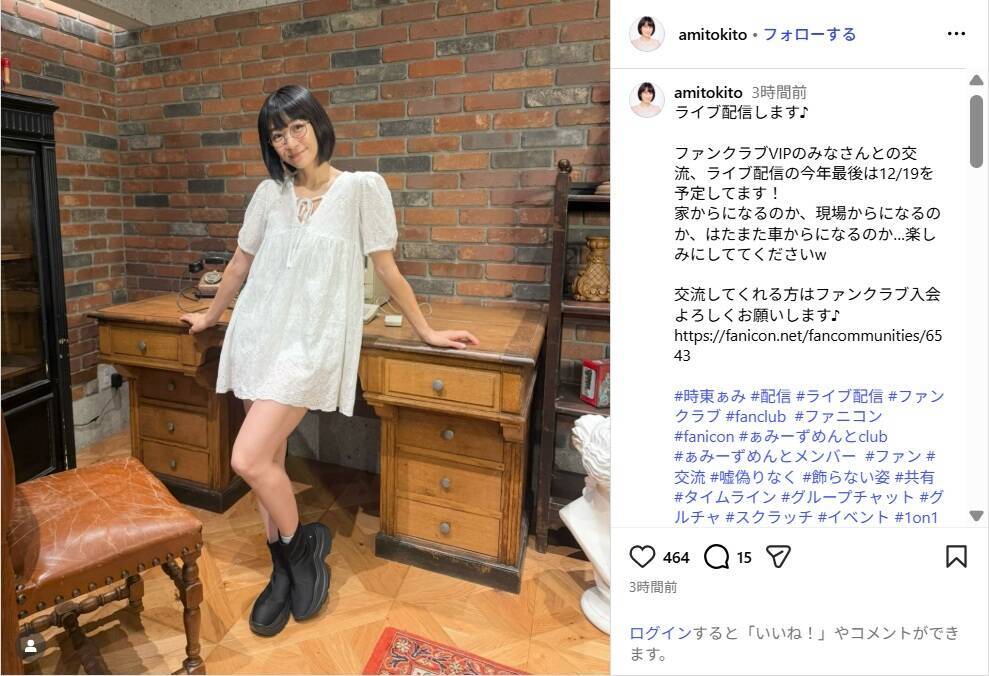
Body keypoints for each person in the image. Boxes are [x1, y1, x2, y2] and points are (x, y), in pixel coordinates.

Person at [179, 84, 479, 637]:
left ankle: (300, 550)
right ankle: (283, 567)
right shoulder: (269, 194)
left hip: (309, 343)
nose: (290, 142)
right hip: (256, 334)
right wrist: (210, 317)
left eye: (297, 127)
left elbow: (386, 268)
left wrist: (427, 330)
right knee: (267, 459)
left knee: (247, 458)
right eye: (277, 135)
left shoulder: (361, 189)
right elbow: (240, 264)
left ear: (317, 125)